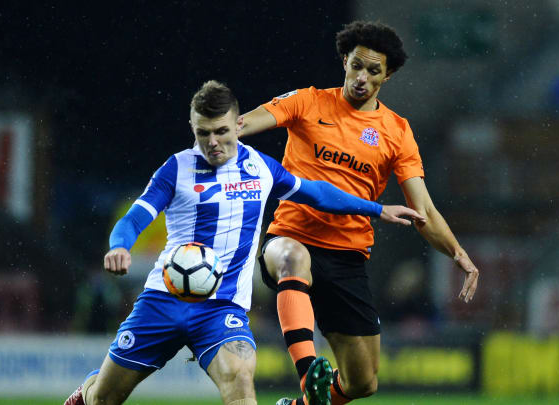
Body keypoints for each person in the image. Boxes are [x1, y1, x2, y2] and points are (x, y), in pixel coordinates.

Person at [63, 80, 425, 405]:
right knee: (104, 399)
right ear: (192, 127)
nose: (212, 142)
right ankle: (89, 390)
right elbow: (134, 218)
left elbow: (316, 193)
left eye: (221, 131)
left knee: (239, 383)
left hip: (222, 309)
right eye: (203, 133)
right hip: (163, 300)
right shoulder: (176, 169)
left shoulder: (261, 167)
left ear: (239, 124)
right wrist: (119, 244)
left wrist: (376, 208)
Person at [240, 21, 481, 405]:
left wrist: (458, 253)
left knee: (363, 382)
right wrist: (219, 134)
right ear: (344, 62)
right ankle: (308, 374)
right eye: (356, 66)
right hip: (291, 234)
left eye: (373, 71)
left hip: (348, 256)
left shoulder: (397, 132)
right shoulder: (308, 101)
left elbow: (424, 211)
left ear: (388, 75)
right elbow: (246, 122)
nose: (361, 78)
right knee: (293, 258)